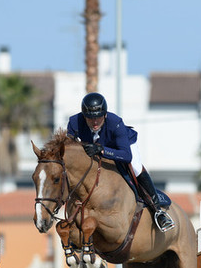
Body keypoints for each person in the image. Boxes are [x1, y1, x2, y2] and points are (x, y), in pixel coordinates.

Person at [66, 92, 175, 232]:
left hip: (121, 147)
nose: (94, 122)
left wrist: (102, 150)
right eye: (90, 118)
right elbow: (70, 150)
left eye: (98, 118)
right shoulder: (74, 123)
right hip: (95, 148)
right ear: (84, 116)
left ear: (105, 115)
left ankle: (158, 211)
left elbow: (126, 156)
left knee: (135, 167)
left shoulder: (115, 123)